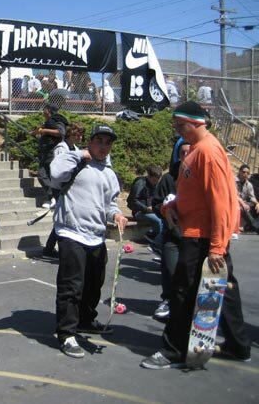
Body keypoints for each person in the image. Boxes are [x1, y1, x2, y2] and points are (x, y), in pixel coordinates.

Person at [141, 101, 251, 369]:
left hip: (202, 237)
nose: (177, 130)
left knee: (182, 292)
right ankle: (238, 346)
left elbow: (222, 202)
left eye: (181, 125)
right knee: (223, 291)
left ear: (198, 122)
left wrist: (216, 246)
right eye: (176, 125)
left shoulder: (209, 152)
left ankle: (174, 350)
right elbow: (193, 194)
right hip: (197, 233)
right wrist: (171, 206)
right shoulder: (194, 151)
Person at [51, 124, 128, 358]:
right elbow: (55, 174)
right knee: (71, 286)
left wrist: (115, 215)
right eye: (99, 141)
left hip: (96, 236)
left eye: (108, 142)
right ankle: (67, 333)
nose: (104, 146)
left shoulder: (109, 174)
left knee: (94, 284)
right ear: (90, 142)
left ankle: (85, 320)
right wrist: (79, 154)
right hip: (71, 232)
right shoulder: (75, 161)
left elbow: (110, 204)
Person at [150, 141, 190, 320]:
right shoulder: (168, 178)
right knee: (171, 269)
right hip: (172, 235)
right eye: (183, 153)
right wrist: (165, 210)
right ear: (177, 155)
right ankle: (168, 300)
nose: (186, 156)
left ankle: (187, 305)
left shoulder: (200, 176)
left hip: (193, 235)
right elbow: (156, 202)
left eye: (190, 152)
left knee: (190, 276)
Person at [40, 122, 85, 258]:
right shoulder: (61, 148)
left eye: (82, 135)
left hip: (72, 186)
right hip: (60, 187)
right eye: (78, 135)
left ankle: (49, 248)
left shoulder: (75, 148)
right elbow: (59, 169)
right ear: (71, 134)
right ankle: (52, 248)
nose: (80, 138)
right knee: (63, 218)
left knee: (65, 218)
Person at [31, 102, 67, 209]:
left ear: (48, 111)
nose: (43, 111)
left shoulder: (55, 119)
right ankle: (53, 197)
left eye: (44, 109)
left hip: (52, 152)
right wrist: (36, 132)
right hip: (46, 152)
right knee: (45, 175)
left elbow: (61, 132)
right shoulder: (49, 121)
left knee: (44, 175)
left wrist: (43, 131)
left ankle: (54, 196)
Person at [127, 165, 164, 254]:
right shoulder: (140, 183)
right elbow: (133, 200)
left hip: (152, 210)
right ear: (149, 176)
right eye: (154, 180)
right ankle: (155, 241)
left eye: (157, 180)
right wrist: (145, 208)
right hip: (139, 211)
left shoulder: (157, 184)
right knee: (158, 220)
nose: (155, 183)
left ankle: (158, 239)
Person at [235, 164, 259, 233]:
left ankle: (251, 226)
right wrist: (243, 203)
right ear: (239, 171)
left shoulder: (248, 184)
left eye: (247, 173)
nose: (245, 174)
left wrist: (257, 203)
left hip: (243, 202)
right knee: (243, 207)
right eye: (243, 172)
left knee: (253, 206)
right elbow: (235, 195)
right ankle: (255, 227)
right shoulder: (233, 180)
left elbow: (252, 196)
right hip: (233, 202)